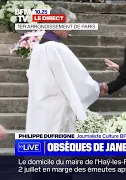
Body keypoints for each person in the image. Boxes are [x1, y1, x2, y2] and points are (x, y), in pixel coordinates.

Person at [26, 6, 106, 134]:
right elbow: (78, 77)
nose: (71, 30)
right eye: (69, 25)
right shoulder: (57, 48)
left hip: (39, 107)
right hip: (57, 110)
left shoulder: (37, 49)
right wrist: (97, 86)